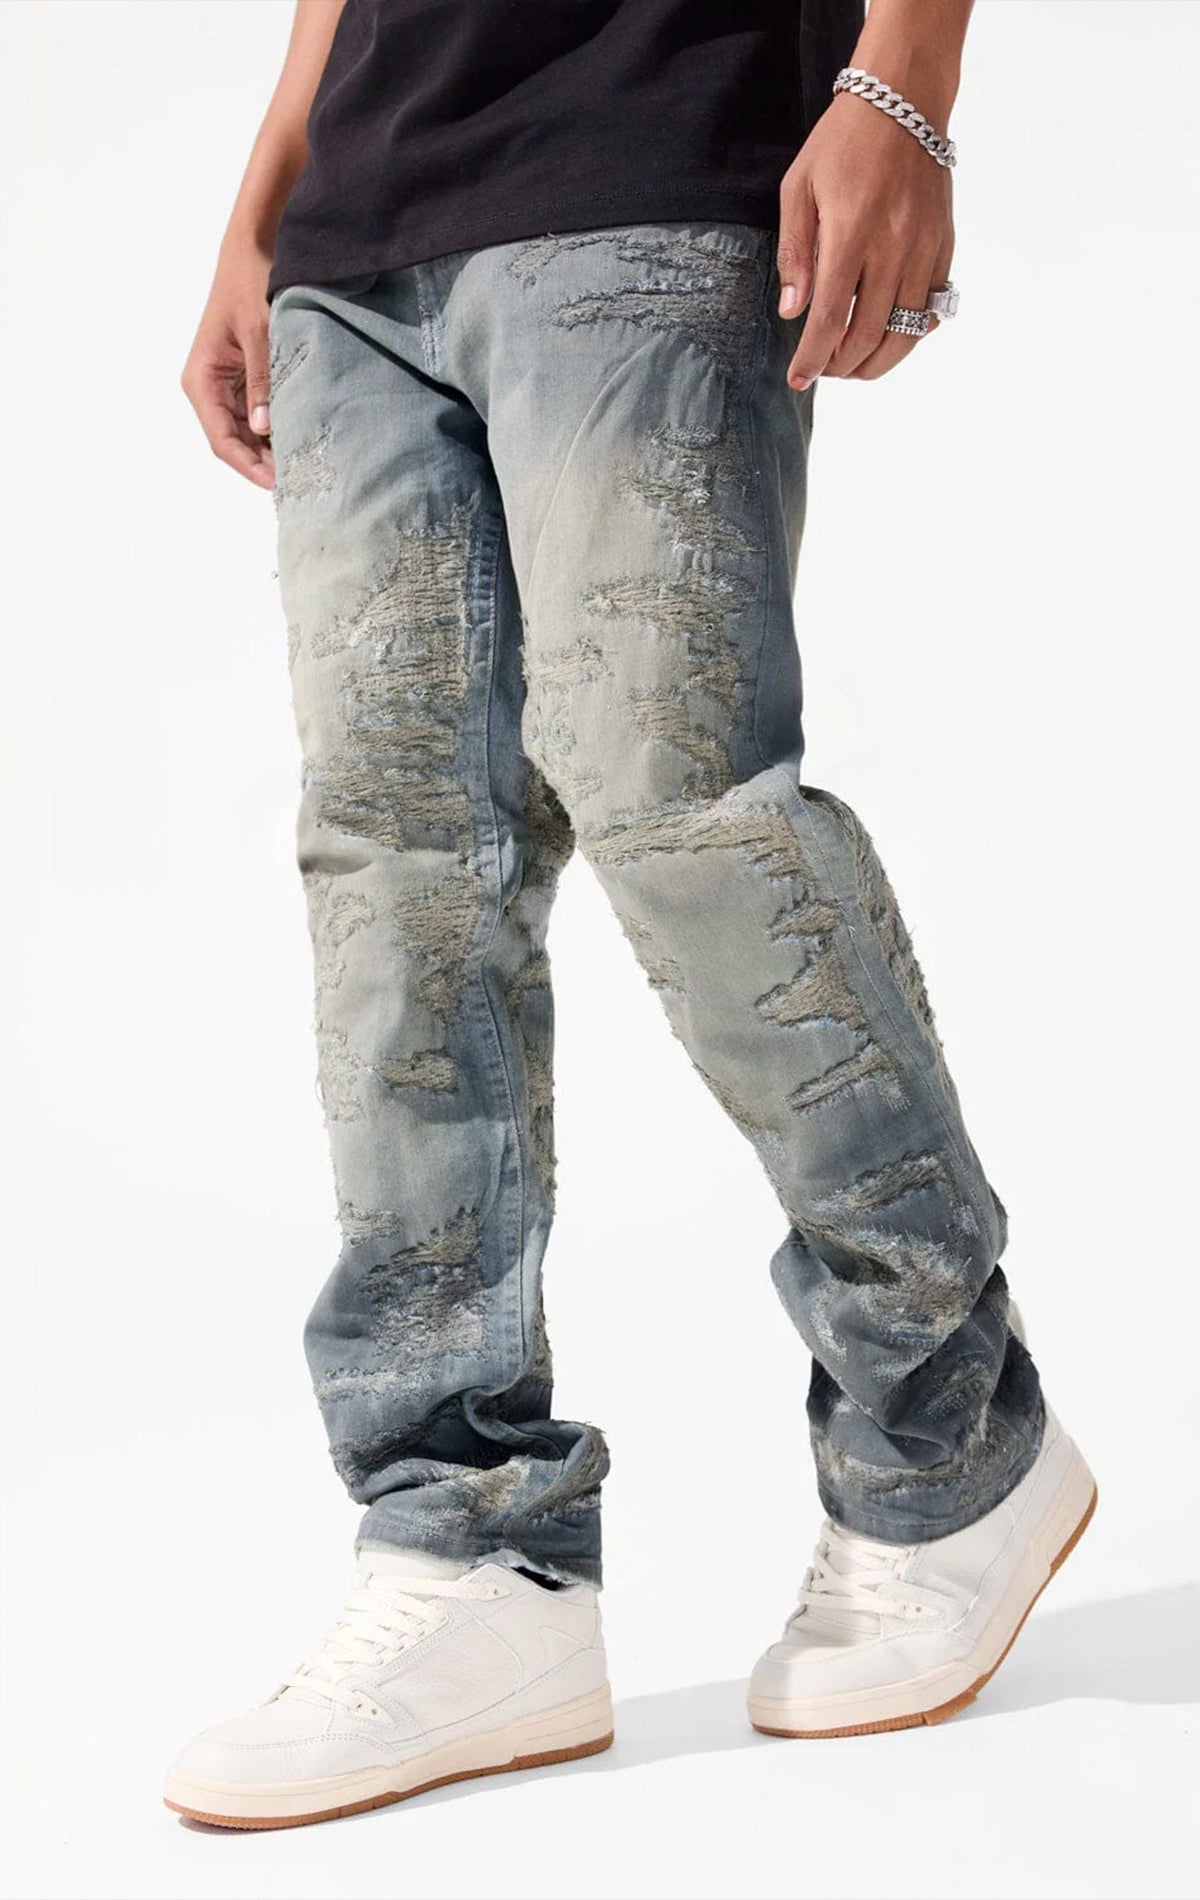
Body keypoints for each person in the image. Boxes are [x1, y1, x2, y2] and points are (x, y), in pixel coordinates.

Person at [167, 0, 1095, 1829]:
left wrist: (907, 81)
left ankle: (949, 1434)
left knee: (681, 804)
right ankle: (470, 1552)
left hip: (654, 145)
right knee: (394, 875)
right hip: (359, 242)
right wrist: (264, 194)